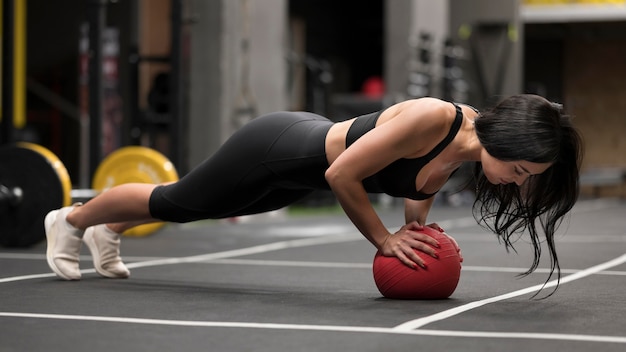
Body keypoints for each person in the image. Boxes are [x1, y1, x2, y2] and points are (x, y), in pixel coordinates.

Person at [44, 94, 583, 295]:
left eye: (525, 177)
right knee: (179, 202)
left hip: (291, 174)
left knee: (193, 209)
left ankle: (107, 230)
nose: (516, 182)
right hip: (274, 149)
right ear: (501, 140)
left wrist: (414, 227)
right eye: (517, 169)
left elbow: (417, 190)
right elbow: (342, 175)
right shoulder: (434, 119)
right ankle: (70, 221)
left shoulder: (464, 150)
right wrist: (383, 240)